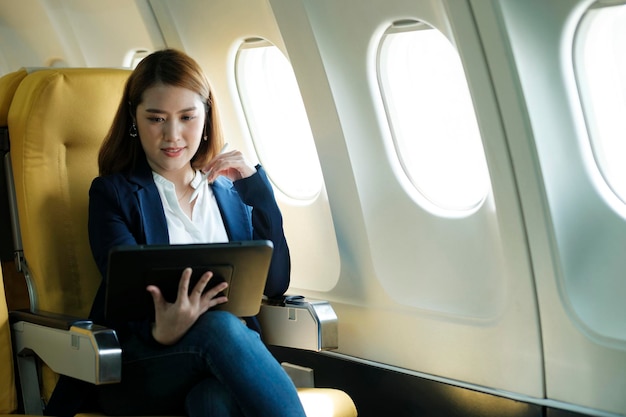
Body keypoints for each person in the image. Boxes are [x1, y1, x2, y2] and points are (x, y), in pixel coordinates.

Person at [45, 48, 307, 417]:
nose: (173, 135)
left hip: (219, 362)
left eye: (187, 117)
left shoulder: (230, 193)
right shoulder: (112, 195)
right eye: (156, 119)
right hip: (144, 364)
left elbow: (276, 283)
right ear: (134, 119)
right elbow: (125, 295)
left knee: (212, 403)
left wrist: (259, 192)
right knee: (219, 326)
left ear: (206, 117)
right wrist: (161, 331)